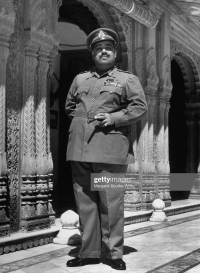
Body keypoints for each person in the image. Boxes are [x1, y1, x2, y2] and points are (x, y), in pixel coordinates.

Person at [65, 28, 147, 270]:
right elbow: (71, 107)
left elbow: (139, 107)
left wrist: (114, 118)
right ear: (92, 52)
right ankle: (88, 253)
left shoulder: (126, 79)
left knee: (110, 204)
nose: (103, 51)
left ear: (114, 53)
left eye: (108, 49)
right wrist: (83, 125)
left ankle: (113, 254)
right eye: (99, 48)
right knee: (85, 202)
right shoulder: (80, 79)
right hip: (79, 149)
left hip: (109, 151)